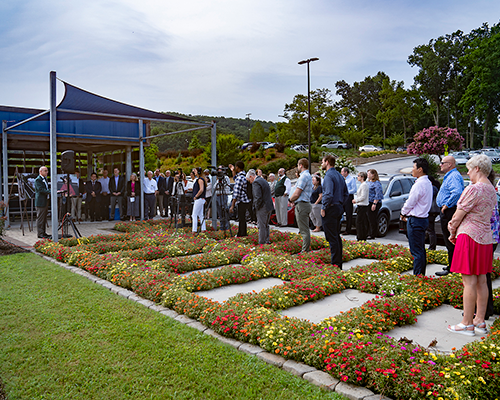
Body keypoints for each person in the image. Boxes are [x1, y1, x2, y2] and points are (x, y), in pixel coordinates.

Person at [447, 154, 497, 336]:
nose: (467, 173)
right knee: (481, 280)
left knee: (468, 281)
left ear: (477, 168)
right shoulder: (492, 189)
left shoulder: (474, 189)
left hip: (469, 236)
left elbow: (457, 216)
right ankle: (479, 321)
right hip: (485, 238)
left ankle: (466, 323)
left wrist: (452, 231)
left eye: (468, 169)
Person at [400, 158, 433, 276]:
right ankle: (420, 275)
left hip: (416, 220)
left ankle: (418, 276)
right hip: (422, 219)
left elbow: (411, 201)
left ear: (420, 169)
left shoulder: (419, 184)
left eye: (413, 168)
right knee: (420, 250)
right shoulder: (427, 182)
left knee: (416, 251)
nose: (412, 170)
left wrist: (403, 213)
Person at [435, 155, 465, 276]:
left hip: (449, 211)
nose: (440, 165)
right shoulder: (451, 175)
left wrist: (446, 205)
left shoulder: (453, 176)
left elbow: (457, 192)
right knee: (449, 239)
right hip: (447, 210)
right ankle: (451, 265)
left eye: (442, 163)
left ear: (450, 164)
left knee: (450, 239)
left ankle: (453, 268)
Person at [321, 155, 348, 268]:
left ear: (327, 162)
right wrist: (341, 204)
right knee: (336, 236)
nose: (321, 164)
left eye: (322, 162)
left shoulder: (329, 176)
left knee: (331, 237)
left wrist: (324, 207)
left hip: (331, 208)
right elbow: (346, 194)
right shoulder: (339, 175)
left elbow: (328, 194)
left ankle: (335, 264)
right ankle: (338, 262)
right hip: (338, 207)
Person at [290, 158, 313, 252]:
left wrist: (290, 199)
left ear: (301, 165)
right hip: (304, 204)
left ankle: (305, 251)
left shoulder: (303, 176)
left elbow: (297, 193)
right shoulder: (307, 175)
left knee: (304, 231)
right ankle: (305, 249)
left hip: (302, 205)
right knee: (305, 229)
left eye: (297, 165)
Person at [246, 169, 274, 244]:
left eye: (249, 180)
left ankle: (262, 243)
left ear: (251, 177)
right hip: (269, 205)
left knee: (261, 226)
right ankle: (267, 240)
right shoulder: (262, 180)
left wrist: (255, 208)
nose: (250, 182)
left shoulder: (256, 182)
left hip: (262, 207)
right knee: (266, 225)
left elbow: (257, 197)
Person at [229, 161, 251, 237]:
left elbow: (236, 193)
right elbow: (235, 178)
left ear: (237, 167)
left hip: (241, 200)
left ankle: (241, 234)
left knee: (241, 218)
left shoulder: (240, 178)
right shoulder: (244, 175)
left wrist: (232, 205)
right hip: (246, 200)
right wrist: (233, 171)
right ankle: (243, 233)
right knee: (243, 218)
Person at [35, 166, 51, 239]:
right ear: (40, 171)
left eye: (47, 171)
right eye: (45, 171)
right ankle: (40, 233)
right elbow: (41, 190)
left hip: (45, 201)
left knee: (44, 218)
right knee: (40, 218)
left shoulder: (45, 179)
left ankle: (43, 232)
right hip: (40, 202)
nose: (47, 172)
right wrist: (51, 191)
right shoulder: (38, 180)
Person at [367, 169, 383, 239]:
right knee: (368, 218)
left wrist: (374, 203)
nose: (367, 175)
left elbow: (378, 194)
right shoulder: (368, 182)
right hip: (368, 202)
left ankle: (373, 234)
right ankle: (368, 232)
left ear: (373, 175)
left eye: (369, 174)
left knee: (372, 218)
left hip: (374, 202)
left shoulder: (377, 183)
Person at [352, 171, 369, 241]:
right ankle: (360, 236)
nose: (357, 177)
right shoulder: (362, 185)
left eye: (358, 176)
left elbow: (363, 196)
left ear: (362, 177)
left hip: (363, 206)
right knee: (359, 222)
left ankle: (361, 237)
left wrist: (356, 200)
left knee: (360, 222)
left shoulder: (364, 185)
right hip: (360, 205)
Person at [426, 176, 441, 250]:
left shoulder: (432, 188)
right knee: (430, 230)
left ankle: (432, 247)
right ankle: (432, 246)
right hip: (434, 210)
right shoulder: (435, 188)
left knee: (430, 230)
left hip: (431, 211)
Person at [341, 167, 357, 235]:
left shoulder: (351, 179)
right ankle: (339, 228)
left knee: (348, 214)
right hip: (342, 197)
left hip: (348, 197)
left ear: (346, 172)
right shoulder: (342, 179)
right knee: (340, 213)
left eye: (342, 172)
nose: (341, 173)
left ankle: (348, 230)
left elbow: (354, 189)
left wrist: (346, 192)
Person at [215, 166, 231, 230]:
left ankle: (227, 226)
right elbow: (214, 187)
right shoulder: (218, 178)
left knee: (224, 211)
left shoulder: (225, 178)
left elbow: (221, 186)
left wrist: (218, 187)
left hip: (223, 195)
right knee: (220, 212)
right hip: (218, 196)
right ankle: (222, 226)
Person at [191, 167, 206, 233]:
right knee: (200, 215)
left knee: (194, 215)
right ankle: (203, 228)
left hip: (199, 199)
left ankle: (194, 230)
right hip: (201, 199)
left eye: (196, 171)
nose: (195, 172)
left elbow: (201, 189)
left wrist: (196, 196)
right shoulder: (201, 179)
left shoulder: (200, 180)